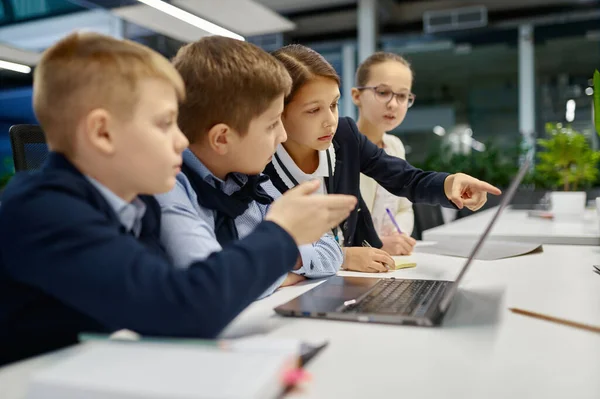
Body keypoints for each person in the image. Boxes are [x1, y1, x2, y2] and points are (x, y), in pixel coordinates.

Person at [0, 32, 356, 366]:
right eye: (165, 123)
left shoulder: (132, 207)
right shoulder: (45, 209)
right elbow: (185, 306)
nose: (182, 142)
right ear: (102, 133)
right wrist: (283, 233)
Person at [264, 44, 501, 273]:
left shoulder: (344, 136)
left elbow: (404, 177)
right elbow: (265, 248)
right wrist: (343, 257)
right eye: (314, 110)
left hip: (355, 278)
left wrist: (449, 184)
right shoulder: (260, 164)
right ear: (278, 112)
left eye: (334, 105)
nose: (330, 120)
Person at [156, 36, 345, 298]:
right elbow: (215, 286)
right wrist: (280, 264)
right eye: (271, 125)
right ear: (222, 138)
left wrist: (269, 266)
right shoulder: (168, 185)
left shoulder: (249, 180)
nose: (283, 136)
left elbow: (331, 251)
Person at [354, 52, 416, 256]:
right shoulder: (338, 149)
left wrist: (399, 237)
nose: (393, 104)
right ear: (356, 95)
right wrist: (376, 243)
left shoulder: (394, 146)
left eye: (402, 96)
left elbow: (405, 208)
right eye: (382, 92)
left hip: (390, 261)